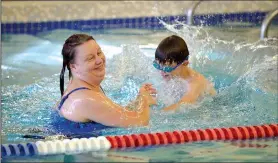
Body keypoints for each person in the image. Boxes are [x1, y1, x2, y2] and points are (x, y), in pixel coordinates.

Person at [50, 34, 157, 136]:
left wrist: (138, 100)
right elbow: (140, 122)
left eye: (99, 52)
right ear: (73, 67)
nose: (99, 60)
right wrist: (145, 100)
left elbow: (112, 113)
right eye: (90, 58)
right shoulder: (86, 99)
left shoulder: (82, 87)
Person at [153, 35, 216, 111]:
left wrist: (152, 114)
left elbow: (183, 105)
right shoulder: (170, 75)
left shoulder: (195, 83)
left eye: (167, 68)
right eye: (158, 66)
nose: (161, 71)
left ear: (185, 63)